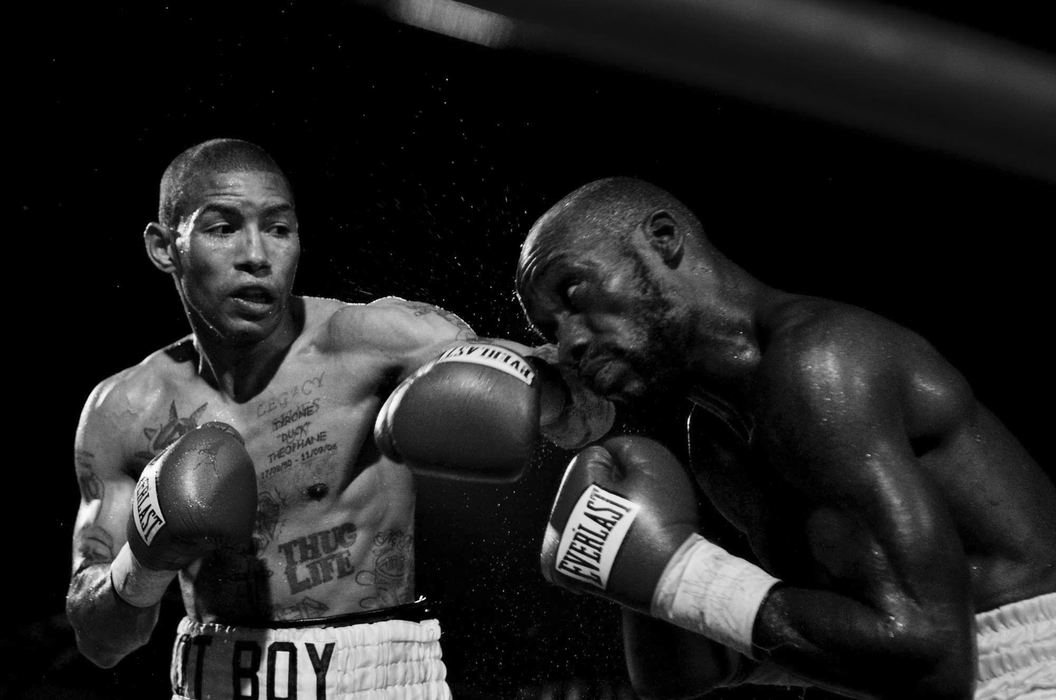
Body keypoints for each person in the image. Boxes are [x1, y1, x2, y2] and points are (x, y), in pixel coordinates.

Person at [65, 138, 613, 700]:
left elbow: (586, 410)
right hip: (212, 681)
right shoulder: (124, 411)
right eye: (223, 228)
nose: (257, 254)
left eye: (278, 229)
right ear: (163, 248)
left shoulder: (376, 343)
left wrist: (530, 401)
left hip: (377, 678)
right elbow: (102, 641)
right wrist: (146, 558)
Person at [516, 177, 1056, 699]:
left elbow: (932, 657)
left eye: (573, 290)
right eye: (551, 330)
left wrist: (681, 575)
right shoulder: (714, 439)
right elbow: (691, 673)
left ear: (663, 239)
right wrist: (627, 563)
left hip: (1029, 665)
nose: (567, 345)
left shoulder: (820, 366)